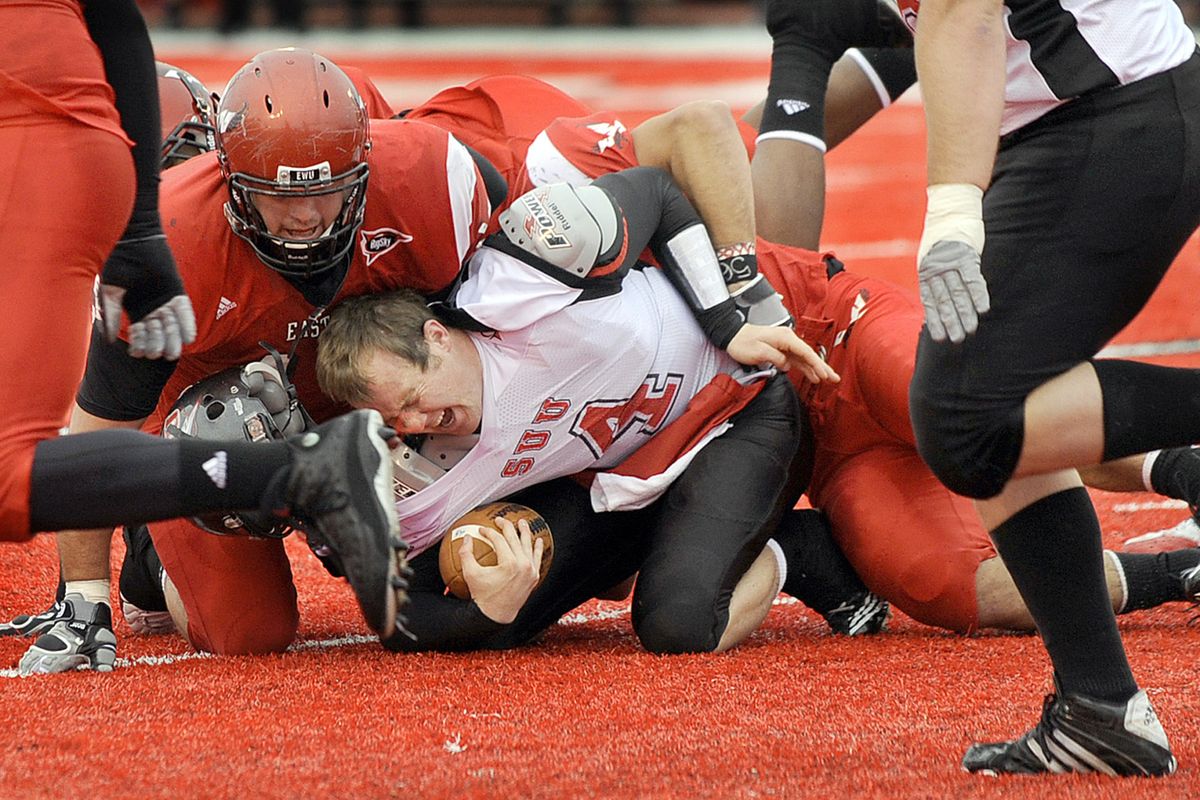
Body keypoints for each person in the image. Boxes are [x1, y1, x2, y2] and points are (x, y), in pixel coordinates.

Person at [7, 45, 515, 672]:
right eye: (276, 194)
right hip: (229, 414)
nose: (304, 215)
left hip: (377, 391)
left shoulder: (433, 179)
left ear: (363, 162)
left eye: (327, 191)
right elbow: (94, 434)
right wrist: (84, 602)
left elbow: (524, 313)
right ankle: (152, 546)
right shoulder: (171, 242)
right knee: (250, 632)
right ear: (228, 177)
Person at [316, 167, 840, 654]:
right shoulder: (426, 460)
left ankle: (789, 547)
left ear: (437, 338)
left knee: (679, 625)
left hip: (732, 413)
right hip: (621, 474)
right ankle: (682, 537)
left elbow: (657, 191)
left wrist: (727, 323)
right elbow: (399, 618)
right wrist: (489, 614)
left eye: (410, 400)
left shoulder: (516, 283)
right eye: (393, 419)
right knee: (501, 597)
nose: (410, 424)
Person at [898, 0, 1199, 777]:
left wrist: (953, 207)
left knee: (965, 417)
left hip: (1109, 112)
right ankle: (1100, 712)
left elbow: (960, 12)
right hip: (1096, 116)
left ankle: (1102, 705)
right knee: (985, 405)